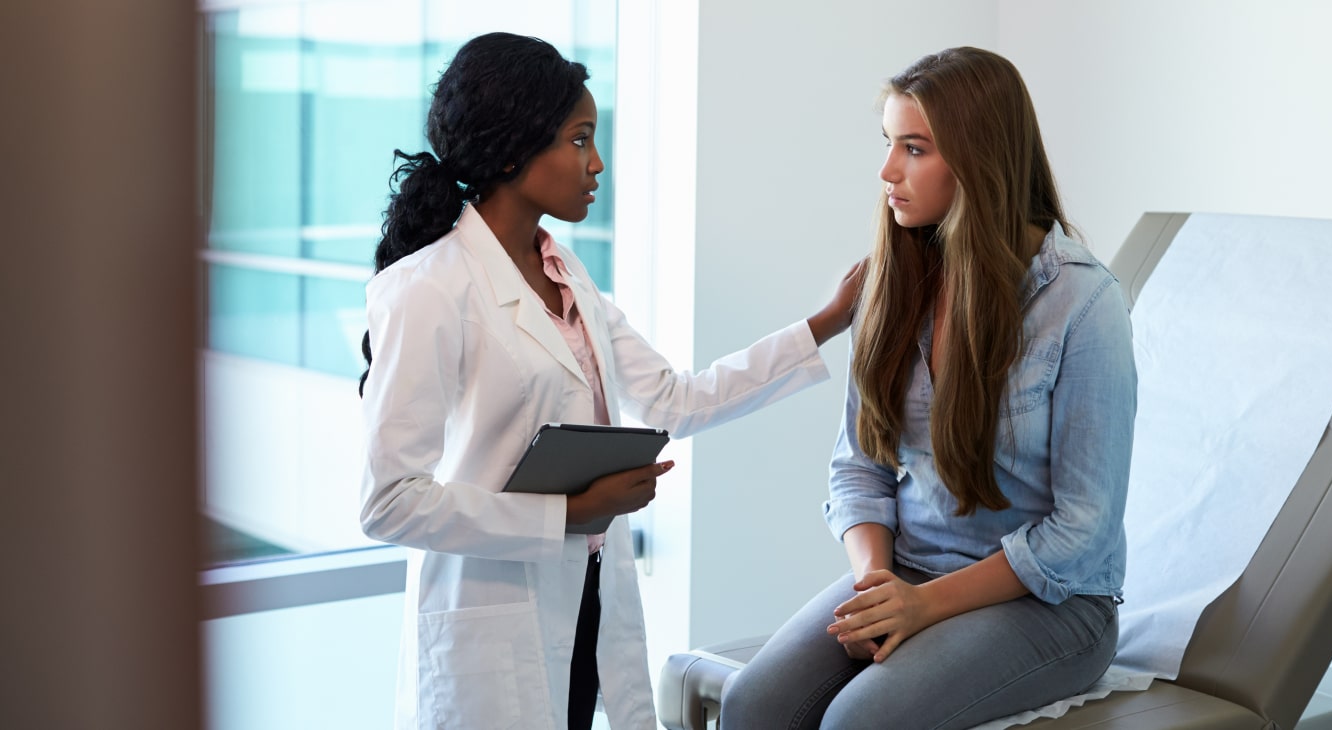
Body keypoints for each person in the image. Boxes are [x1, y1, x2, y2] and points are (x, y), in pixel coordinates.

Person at [357, 32, 860, 730]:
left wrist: (827, 322)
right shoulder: (428, 289)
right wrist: (567, 513)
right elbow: (388, 503)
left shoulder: (565, 273)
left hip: (590, 590)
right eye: (578, 140)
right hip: (498, 609)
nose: (597, 164)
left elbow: (674, 399)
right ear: (512, 150)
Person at [719, 46, 1137, 730]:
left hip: (1051, 605)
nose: (887, 172)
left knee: (860, 722)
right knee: (753, 705)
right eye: (888, 144)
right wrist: (876, 586)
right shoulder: (894, 279)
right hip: (907, 572)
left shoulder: (1083, 304)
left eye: (914, 149)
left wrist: (924, 607)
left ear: (980, 158)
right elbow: (859, 467)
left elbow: (1082, 533)